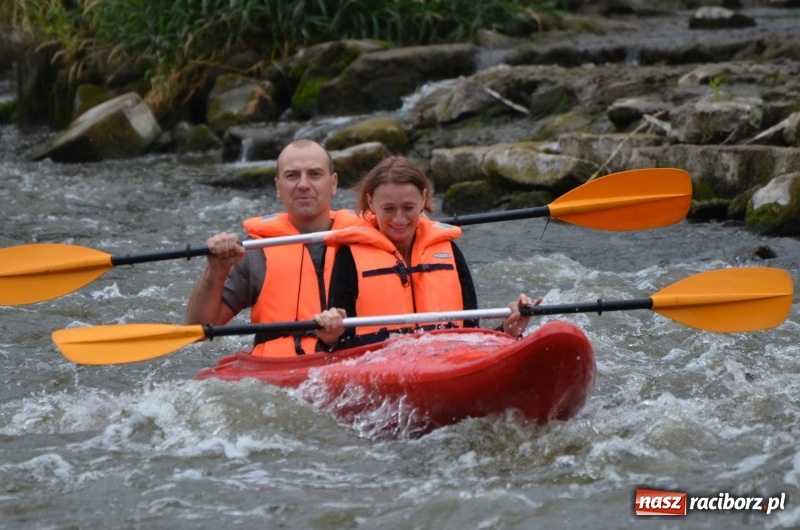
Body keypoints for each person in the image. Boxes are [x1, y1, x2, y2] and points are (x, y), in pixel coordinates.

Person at [313, 156, 541, 351]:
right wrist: (329, 334)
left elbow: (472, 334)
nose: (399, 219)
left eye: (408, 208)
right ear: (371, 202)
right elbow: (336, 350)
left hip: (448, 359)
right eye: (389, 209)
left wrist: (509, 331)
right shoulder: (349, 257)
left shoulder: (448, 250)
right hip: (379, 368)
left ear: (423, 199)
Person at [185, 138, 359, 356]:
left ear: (333, 183)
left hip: (354, 362)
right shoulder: (255, 251)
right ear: (278, 187)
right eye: (292, 175)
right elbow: (198, 330)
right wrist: (215, 270)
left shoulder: (367, 241)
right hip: (280, 372)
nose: (303, 184)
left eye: (314, 174)